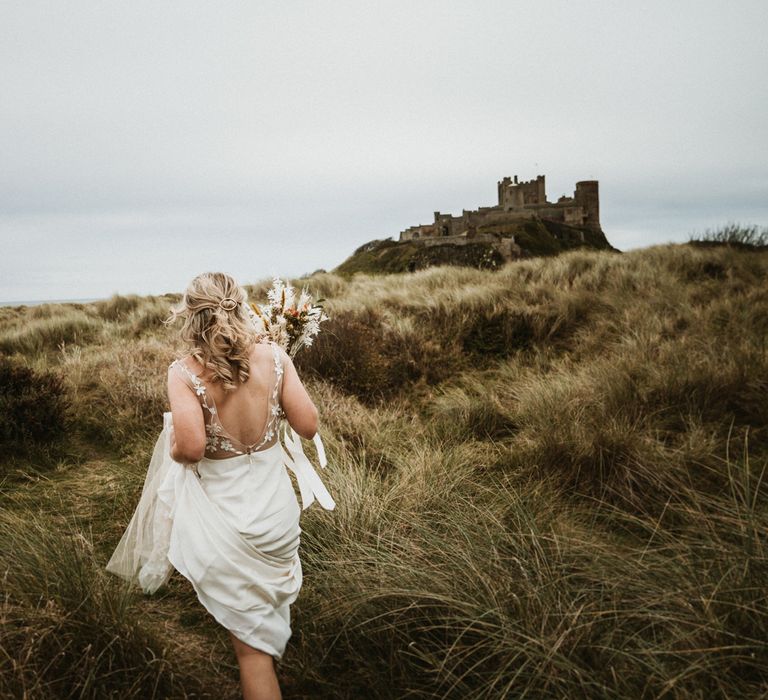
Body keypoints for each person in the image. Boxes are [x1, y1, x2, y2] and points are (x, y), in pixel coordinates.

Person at [107, 271, 334, 700]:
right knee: (263, 624)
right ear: (241, 305)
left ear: (190, 316)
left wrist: (172, 442)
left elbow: (191, 448)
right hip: (276, 517)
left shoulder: (183, 373)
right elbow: (308, 425)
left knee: (252, 656)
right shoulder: (275, 358)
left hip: (226, 524)